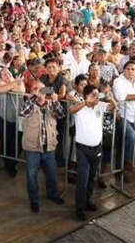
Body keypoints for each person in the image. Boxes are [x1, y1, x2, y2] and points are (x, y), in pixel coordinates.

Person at [69, 85, 115, 220]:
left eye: (97, 94)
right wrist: (86, 101)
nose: (97, 96)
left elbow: (113, 107)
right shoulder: (80, 107)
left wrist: (111, 99)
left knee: (92, 177)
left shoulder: (100, 105)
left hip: (96, 148)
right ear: (87, 95)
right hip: (82, 148)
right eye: (94, 94)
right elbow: (71, 110)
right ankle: (79, 208)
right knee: (82, 179)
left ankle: (87, 200)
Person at [19, 84, 66, 215]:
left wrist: (56, 100)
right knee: (31, 175)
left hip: (49, 146)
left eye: (43, 89)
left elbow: (61, 114)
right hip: (32, 147)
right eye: (37, 89)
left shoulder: (51, 105)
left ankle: (53, 194)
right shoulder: (29, 103)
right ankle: (34, 200)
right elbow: (22, 112)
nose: (41, 92)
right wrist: (34, 96)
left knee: (51, 173)